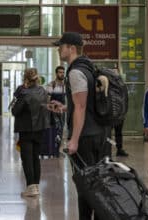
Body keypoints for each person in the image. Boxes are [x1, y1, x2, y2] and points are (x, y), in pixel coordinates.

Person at [49, 32, 111, 220]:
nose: (59, 49)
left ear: (72, 48)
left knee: (85, 185)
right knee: (97, 184)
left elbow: (82, 107)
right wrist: (67, 107)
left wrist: (74, 140)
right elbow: (84, 103)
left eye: (62, 46)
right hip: (99, 134)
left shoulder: (75, 72)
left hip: (85, 137)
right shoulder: (88, 67)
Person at [11, 68, 50, 197]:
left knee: (27, 158)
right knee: (35, 157)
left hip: (26, 129)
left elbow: (15, 111)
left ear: (26, 79)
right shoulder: (43, 91)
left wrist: (18, 94)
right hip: (39, 128)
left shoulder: (24, 93)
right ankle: (36, 187)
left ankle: (30, 187)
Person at [46, 66, 66, 156]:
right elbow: (48, 99)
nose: (62, 74)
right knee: (55, 130)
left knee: (61, 130)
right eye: (60, 72)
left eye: (63, 72)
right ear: (56, 73)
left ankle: (57, 150)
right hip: (54, 112)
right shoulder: (51, 84)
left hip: (63, 111)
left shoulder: (65, 85)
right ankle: (53, 150)